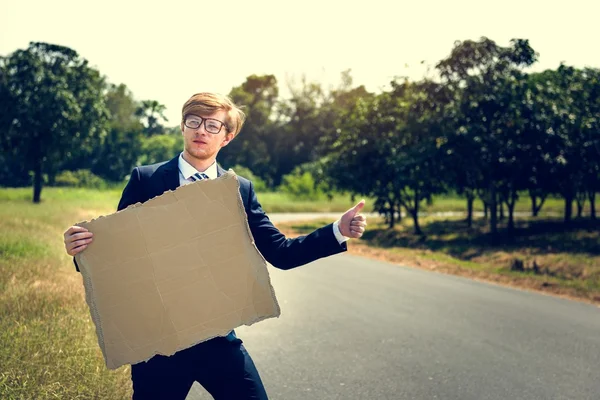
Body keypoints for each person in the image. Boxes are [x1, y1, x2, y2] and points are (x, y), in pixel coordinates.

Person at [63, 92, 367, 400]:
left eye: (212, 125)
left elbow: (281, 253)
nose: (201, 130)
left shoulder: (239, 190)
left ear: (227, 136)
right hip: (159, 343)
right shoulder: (146, 179)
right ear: (182, 126)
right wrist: (81, 250)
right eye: (193, 121)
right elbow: (120, 253)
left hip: (217, 339)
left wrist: (337, 231)